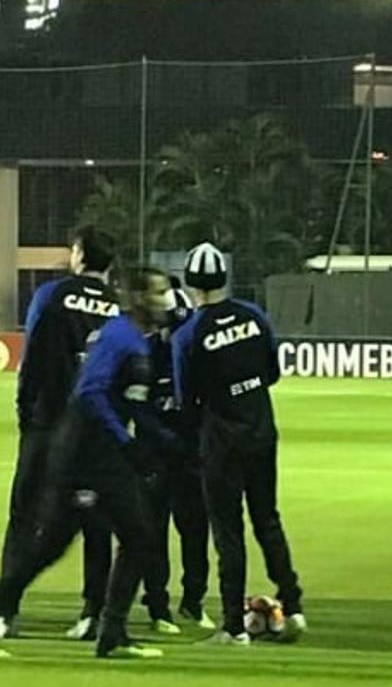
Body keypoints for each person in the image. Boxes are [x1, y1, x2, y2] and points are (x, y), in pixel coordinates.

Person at [0, 266, 176, 660]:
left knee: (64, 544)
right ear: (137, 298)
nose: (167, 300)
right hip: (85, 452)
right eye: (159, 292)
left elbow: (130, 402)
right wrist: (125, 441)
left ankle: (105, 631)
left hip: (97, 451)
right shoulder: (117, 337)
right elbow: (90, 394)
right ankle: (106, 632)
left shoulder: (136, 339)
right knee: (134, 537)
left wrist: (167, 442)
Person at [172, 241, 304, 645]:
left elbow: (185, 401)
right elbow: (272, 373)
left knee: (228, 531)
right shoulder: (254, 316)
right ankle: (294, 607)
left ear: (191, 282)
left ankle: (232, 627)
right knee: (268, 520)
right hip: (262, 431)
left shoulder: (188, 335)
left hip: (221, 441)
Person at [0, 226, 120, 638]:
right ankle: (92, 613)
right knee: (96, 521)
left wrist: (25, 410)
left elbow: (33, 357)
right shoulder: (119, 307)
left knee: (24, 515)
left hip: (49, 422)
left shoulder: (51, 296)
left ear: (80, 255)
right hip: (97, 431)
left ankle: (4, 610)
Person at [139, 285, 213, 634]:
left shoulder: (195, 349)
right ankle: (158, 607)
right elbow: (136, 407)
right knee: (153, 533)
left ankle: (193, 603)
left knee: (195, 531)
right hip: (155, 456)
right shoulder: (145, 353)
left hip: (192, 455)